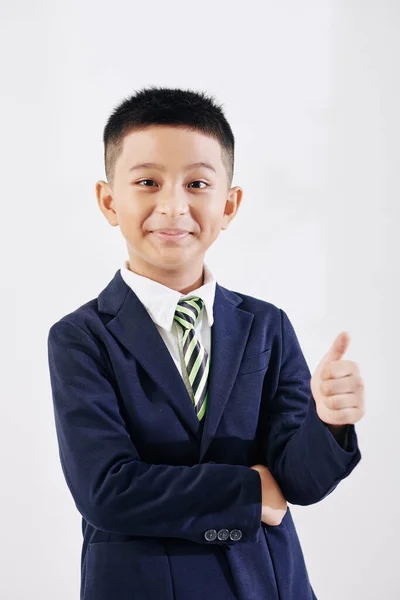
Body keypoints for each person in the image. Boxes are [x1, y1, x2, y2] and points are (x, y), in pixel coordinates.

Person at [47, 86, 364, 600]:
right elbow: (106, 490)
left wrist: (326, 422)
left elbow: (297, 484)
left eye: (197, 183)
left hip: (267, 583)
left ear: (230, 205)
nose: (173, 206)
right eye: (148, 182)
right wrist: (247, 490)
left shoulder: (267, 325)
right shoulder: (81, 338)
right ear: (109, 200)